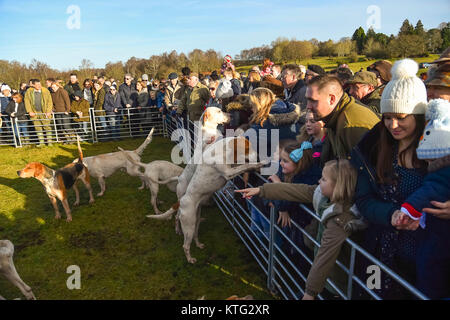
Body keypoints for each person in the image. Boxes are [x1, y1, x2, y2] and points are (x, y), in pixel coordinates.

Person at [350, 59, 429, 299]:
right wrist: (390, 214)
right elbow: (363, 198)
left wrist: (423, 217)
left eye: (401, 117)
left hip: (422, 257)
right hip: (379, 251)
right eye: (387, 117)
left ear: (418, 115)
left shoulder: (437, 155)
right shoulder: (374, 149)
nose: (392, 125)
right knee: (373, 293)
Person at [235, 159, 366, 300]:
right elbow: (297, 190)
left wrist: (309, 293)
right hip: (326, 276)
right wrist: (262, 190)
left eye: (323, 179)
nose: (319, 181)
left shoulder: (341, 220)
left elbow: (325, 257)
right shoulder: (323, 195)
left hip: (337, 281)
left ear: (338, 186)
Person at [393, 98, 450, 299]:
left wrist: (407, 209)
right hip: (431, 238)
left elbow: (428, 192)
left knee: (431, 276)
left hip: (437, 244)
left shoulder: (441, 173)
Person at [306, 75, 380, 166]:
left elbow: (367, 170)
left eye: (313, 100)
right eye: (307, 100)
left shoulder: (350, 124)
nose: (308, 106)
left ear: (332, 99)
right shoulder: (333, 117)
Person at [24, 79, 54, 147]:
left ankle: (49, 142)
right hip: (35, 113)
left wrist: (48, 111)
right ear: (33, 85)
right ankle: (41, 142)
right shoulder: (29, 91)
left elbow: (50, 102)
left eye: (40, 84)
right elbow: (27, 101)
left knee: (47, 127)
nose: (39, 86)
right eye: (37, 84)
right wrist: (29, 111)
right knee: (37, 127)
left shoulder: (45, 91)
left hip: (44, 112)